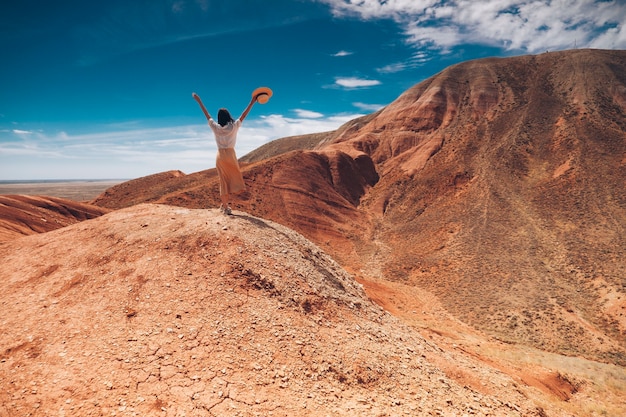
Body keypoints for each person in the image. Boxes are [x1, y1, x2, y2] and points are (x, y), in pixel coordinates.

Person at [192, 92, 260, 215]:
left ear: (219, 118)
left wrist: (199, 100)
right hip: (230, 155)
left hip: (220, 156)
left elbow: (206, 114)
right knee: (234, 177)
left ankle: (225, 206)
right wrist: (252, 101)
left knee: (223, 181)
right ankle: (234, 194)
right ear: (228, 116)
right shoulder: (234, 126)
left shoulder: (215, 127)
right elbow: (244, 115)